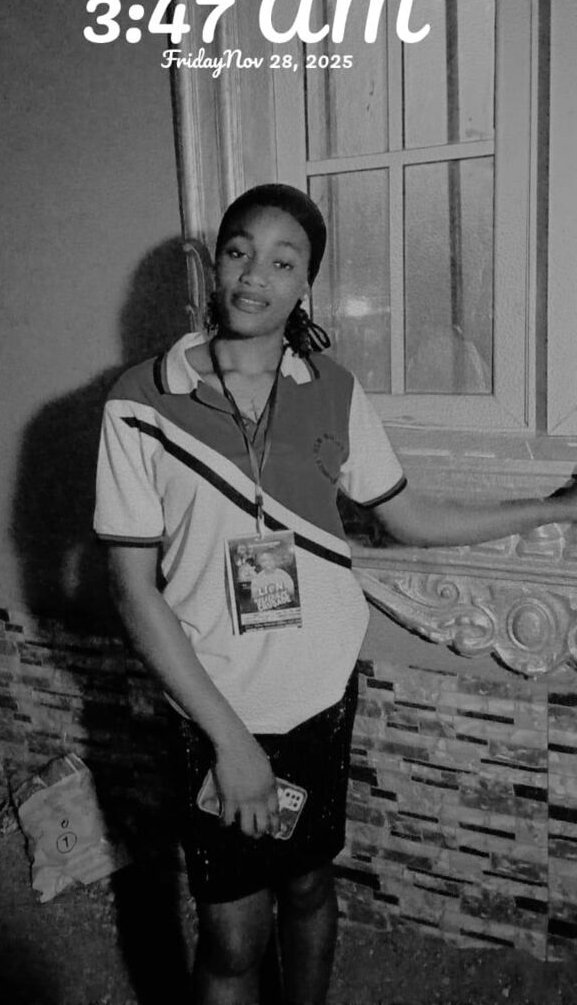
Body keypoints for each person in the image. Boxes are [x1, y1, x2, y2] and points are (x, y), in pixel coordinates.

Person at [94, 183, 577, 1005]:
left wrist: (551, 509)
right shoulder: (140, 401)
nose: (257, 275)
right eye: (240, 252)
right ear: (213, 266)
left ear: (306, 284)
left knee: (311, 886)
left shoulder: (332, 388)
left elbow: (411, 517)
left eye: (283, 262)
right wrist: (231, 744)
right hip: (216, 708)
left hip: (320, 695)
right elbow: (132, 590)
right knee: (233, 937)